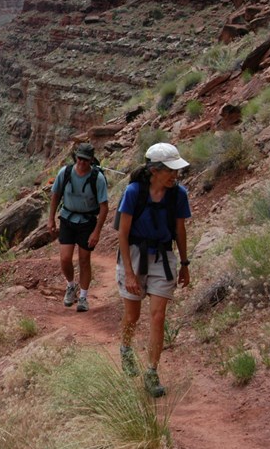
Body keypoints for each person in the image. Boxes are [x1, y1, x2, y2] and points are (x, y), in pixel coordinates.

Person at [116, 142, 191, 397]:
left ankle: (151, 371)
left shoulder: (179, 195)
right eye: (170, 170)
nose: (174, 175)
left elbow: (180, 230)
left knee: (158, 316)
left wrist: (184, 264)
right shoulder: (134, 192)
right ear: (153, 170)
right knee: (133, 316)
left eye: (175, 170)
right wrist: (128, 272)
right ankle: (126, 349)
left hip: (163, 257)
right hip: (135, 256)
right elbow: (123, 234)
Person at [49, 143, 109, 312]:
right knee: (65, 258)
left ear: (91, 161)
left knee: (84, 260)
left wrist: (97, 231)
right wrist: (51, 219)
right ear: (76, 157)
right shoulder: (65, 172)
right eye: (80, 158)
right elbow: (55, 195)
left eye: (86, 160)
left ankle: (83, 297)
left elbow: (104, 207)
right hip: (67, 219)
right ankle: (70, 286)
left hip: (87, 222)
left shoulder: (97, 178)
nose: (82, 162)